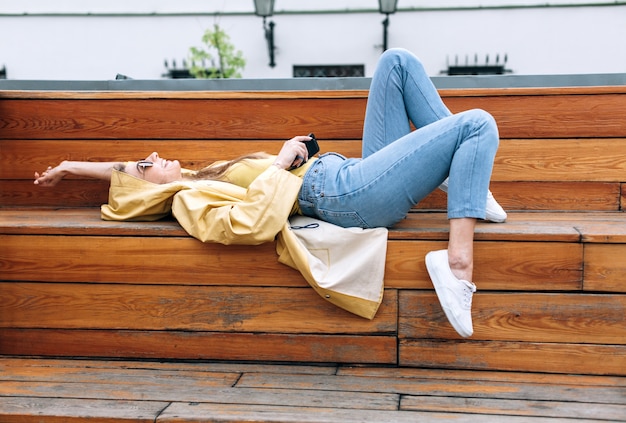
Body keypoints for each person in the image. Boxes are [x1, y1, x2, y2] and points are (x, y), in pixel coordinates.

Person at [34, 48, 506, 337]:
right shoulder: (187, 200)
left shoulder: (200, 177)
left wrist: (72, 167)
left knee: (396, 63)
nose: (153, 156)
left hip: (350, 173)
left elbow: (121, 171)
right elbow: (246, 226)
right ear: (148, 187)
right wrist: (280, 164)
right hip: (346, 196)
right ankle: (457, 262)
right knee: (478, 125)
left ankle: (467, 180)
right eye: (146, 165)